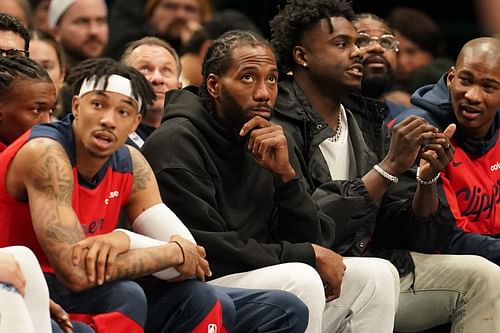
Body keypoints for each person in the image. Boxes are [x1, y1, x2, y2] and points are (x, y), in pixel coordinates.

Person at [0, 56, 308, 333]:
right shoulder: (45, 154)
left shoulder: (132, 162)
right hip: (31, 285)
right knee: (126, 295)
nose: (109, 120)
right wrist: (169, 252)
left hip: (98, 288)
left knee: (265, 306)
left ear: (135, 122)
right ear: (77, 107)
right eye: (98, 105)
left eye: (123, 111)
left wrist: (127, 240)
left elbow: (193, 262)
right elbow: (76, 273)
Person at [142, 29, 400, 333]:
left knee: (377, 274)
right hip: (198, 286)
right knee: (299, 278)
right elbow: (207, 250)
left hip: (259, 273)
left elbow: (313, 238)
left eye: (272, 79)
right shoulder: (175, 143)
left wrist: (286, 178)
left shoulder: (270, 137)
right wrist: (305, 255)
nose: (264, 92)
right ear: (213, 85)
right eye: (248, 78)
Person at [269, 0, 500, 332]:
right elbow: (307, 226)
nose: (359, 53)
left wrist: (426, 182)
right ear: (302, 56)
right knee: (375, 275)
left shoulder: (366, 120)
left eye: (357, 44)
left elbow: (415, 235)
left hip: (382, 263)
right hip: (309, 274)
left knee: (484, 276)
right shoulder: (279, 126)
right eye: (343, 44)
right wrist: (388, 167)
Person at [394, 37, 500, 266]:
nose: (472, 96)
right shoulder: (419, 132)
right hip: (429, 261)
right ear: (451, 78)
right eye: (466, 80)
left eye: (488, 87)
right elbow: (442, 239)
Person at [121, 36, 181, 148]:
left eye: (166, 70)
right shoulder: (112, 138)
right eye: (145, 69)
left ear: (179, 85)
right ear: (125, 80)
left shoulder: (192, 138)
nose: (157, 79)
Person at [351, 13, 407, 123]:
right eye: (361, 40)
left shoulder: (408, 119)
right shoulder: (327, 116)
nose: (377, 48)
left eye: (386, 42)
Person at [47, 0, 109, 70]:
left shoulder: (119, 77)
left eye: (100, 21)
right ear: (56, 32)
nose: (94, 31)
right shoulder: (45, 79)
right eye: (82, 22)